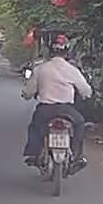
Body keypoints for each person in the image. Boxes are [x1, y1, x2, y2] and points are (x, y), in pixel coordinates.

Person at [21, 34, 90, 173]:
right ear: (67, 52)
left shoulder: (41, 69)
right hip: (67, 110)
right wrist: (85, 96)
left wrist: (27, 95)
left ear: (51, 51)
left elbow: (29, 91)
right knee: (79, 124)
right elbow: (86, 91)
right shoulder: (72, 70)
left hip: (45, 110)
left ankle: (34, 153)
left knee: (35, 127)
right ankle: (77, 156)